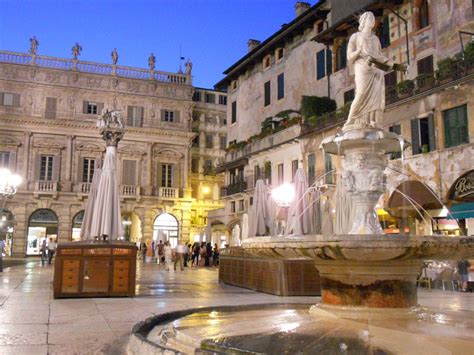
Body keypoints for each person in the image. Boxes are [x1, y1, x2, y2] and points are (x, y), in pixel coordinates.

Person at [344, 11, 400, 130]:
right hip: (362, 68)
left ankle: (373, 121)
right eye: (370, 18)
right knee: (361, 93)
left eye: (374, 19)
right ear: (364, 21)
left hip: (375, 70)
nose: (373, 21)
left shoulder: (375, 39)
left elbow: (380, 56)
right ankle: (350, 120)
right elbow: (349, 57)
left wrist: (396, 66)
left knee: (377, 96)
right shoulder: (355, 37)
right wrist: (358, 51)